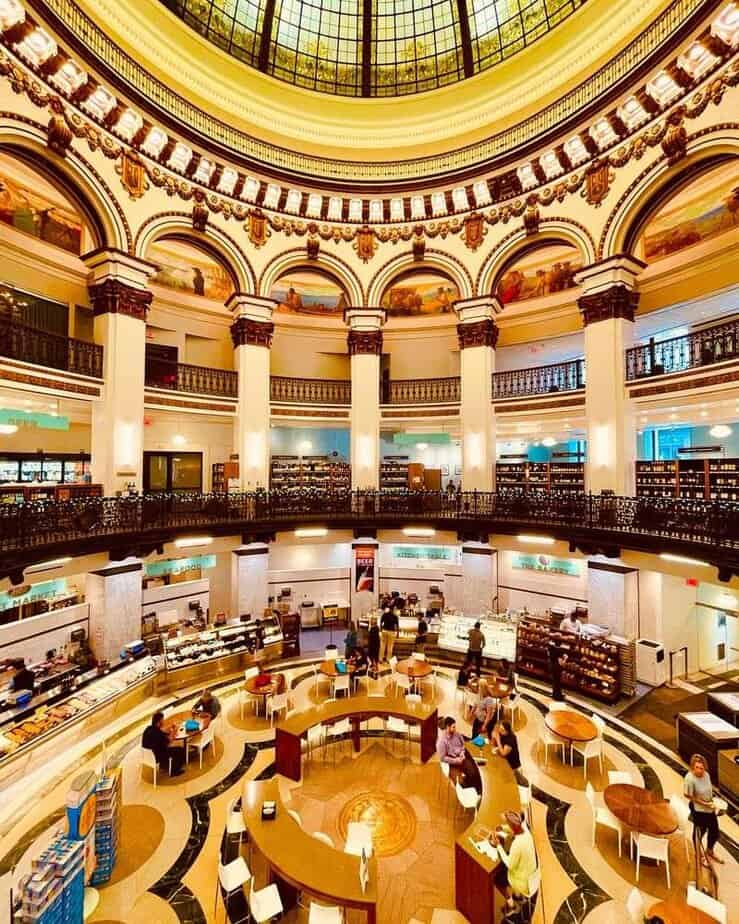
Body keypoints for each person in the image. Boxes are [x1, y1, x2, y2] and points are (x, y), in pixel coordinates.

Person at [684, 753, 723, 865]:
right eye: (697, 768)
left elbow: (709, 789)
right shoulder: (689, 779)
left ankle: (709, 850)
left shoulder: (706, 775)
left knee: (714, 832)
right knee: (699, 833)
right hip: (698, 810)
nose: (699, 770)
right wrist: (703, 803)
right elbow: (687, 795)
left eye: (701, 768)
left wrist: (714, 802)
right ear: (692, 767)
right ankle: (698, 854)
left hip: (710, 808)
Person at [493, 811, 538, 907]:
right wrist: (503, 828)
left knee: (497, 879)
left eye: (507, 824)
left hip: (524, 883)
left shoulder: (517, 844)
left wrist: (498, 846)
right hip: (532, 875)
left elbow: (510, 865)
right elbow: (514, 827)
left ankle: (511, 904)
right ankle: (517, 895)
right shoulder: (526, 831)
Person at [142, 711, 185, 776]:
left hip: (147, 756)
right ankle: (174, 771)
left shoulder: (148, 729)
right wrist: (174, 730)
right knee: (180, 750)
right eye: (162, 720)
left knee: (167, 747)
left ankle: (163, 765)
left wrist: (169, 730)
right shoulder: (157, 734)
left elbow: (161, 733)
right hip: (157, 756)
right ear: (159, 722)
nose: (163, 721)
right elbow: (170, 740)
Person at [436, 716, 474, 783]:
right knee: (453, 782)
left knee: (472, 772)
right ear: (448, 727)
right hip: (451, 762)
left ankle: (467, 785)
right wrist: (455, 760)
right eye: (453, 727)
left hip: (461, 758)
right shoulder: (441, 741)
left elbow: (463, 745)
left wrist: (462, 752)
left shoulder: (457, 734)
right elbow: (442, 758)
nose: (455, 729)